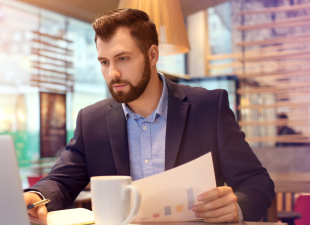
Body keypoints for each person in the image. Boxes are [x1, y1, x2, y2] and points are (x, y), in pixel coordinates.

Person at [24, 8, 274, 223]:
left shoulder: (208, 107)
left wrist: (237, 206)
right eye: (104, 62)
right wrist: (34, 197)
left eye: (123, 58)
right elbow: (59, 182)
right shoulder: (92, 121)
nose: (113, 73)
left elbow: (257, 182)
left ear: (152, 55)